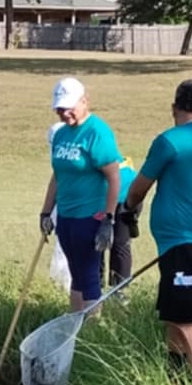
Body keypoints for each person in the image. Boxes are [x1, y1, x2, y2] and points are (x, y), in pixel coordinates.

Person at [123, 77, 192, 377]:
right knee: (174, 317)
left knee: (188, 323)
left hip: (187, 246)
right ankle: (174, 379)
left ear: (174, 108)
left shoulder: (170, 141)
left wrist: (128, 209)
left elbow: (138, 189)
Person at [39, 77, 123, 312]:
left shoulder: (97, 132)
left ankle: (92, 329)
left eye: (69, 107)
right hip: (66, 214)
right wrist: (46, 212)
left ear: (84, 101)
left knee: (88, 275)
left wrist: (108, 219)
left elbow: (113, 177)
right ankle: (75, 327)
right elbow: (57, 176)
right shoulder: (61, 134)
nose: (64, 113)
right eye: (60, 109)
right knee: (76, 273)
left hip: (90, 215)